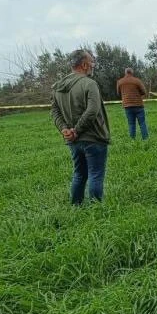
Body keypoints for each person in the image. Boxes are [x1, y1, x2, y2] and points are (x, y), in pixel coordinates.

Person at [51, 50, 111, 205]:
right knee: (95, 175)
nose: (93, 65)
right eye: (91, 62)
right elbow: (92, 110)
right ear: (84, 65)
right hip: (94, 138)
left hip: (73, 141)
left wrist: (65, 130)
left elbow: (55, 112)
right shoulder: (89, 84)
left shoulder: (58, 87)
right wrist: (76, 130)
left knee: (79, 174)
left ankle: (76, 207)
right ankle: (97, 210)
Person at [116, 68, 148, 140]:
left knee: (131, 124)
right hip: (138, 105)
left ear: (125, 73)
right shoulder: (137, 81)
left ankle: (132, 140)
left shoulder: (119, 82)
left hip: (127, 106)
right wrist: (137, 94)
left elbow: (118, 93)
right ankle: (145, 139)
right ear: (132, 73)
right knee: (142, 123)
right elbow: (144, 91)